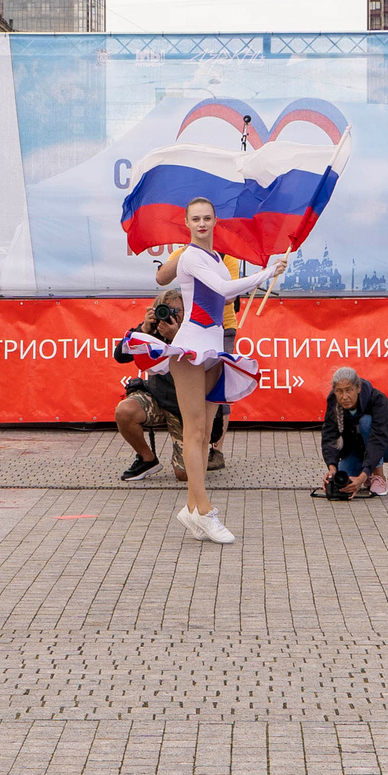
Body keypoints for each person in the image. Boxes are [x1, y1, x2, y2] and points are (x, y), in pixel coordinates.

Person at [148, 199, 281, 545]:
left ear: (215, 221)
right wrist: (265, 274)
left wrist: (266, 272)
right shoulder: (189, 256)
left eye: (207, 217)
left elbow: (225, 300)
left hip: (212, 347)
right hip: (191, 349)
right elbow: (222, 291)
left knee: (206, 433)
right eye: (196, 218)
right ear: (187, 223)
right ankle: (205, 511)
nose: (203, 223)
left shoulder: (217, 258)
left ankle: (192, 507)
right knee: (194, 432)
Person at [111, 293, 229, 481]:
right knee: (124, 411)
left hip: (185, 409)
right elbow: (120, 356)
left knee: (184, 475)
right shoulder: (152, 332)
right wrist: (143, 329)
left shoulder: (198, 332)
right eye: (165, 310)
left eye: (177, 311)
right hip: (157, 398)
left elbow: (204, 363)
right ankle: (147, 459)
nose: (172, 316)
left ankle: (198, 452)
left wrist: (175, 337)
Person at [315, 367, 388, 500]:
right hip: (359, 449)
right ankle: (367, 473)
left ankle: (378, 476)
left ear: (358, 388)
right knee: (345, 478)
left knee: (366, 422)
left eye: (349, 390)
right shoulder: (333, 401)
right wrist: (332, 470)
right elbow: (329, 436)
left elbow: (378, 439)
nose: (344, 397)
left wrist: (361, 477)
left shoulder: (377, 399)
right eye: (339, 391)